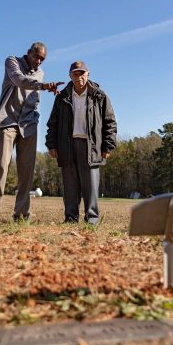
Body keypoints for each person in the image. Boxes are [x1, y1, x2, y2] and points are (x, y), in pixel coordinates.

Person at [0, 42, 63, 225]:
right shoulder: (12, 61)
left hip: (29, 124)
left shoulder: (40, 73)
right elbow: (19, 79)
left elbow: (34, 98)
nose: (38, 61)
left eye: (42, 59)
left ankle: (21, 215)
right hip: (9, 121)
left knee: (27, 170)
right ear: (28, 53)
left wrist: (41, 96)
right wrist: (44, 86)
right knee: (2, 165)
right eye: (36, 56)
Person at [45, 61, 117, 224]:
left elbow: (110, 122)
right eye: (75, 74)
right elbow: (53, 123)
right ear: (70, 76)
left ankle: (92, 218)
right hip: (67, 144)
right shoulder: (62, 97)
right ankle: (71, 217)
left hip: (91, 145)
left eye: (82, 73)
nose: (79, 77)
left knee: (91, 184)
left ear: (88, 74)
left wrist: (108, 145)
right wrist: (52, 144)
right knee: (70, 184)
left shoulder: (100, 96)